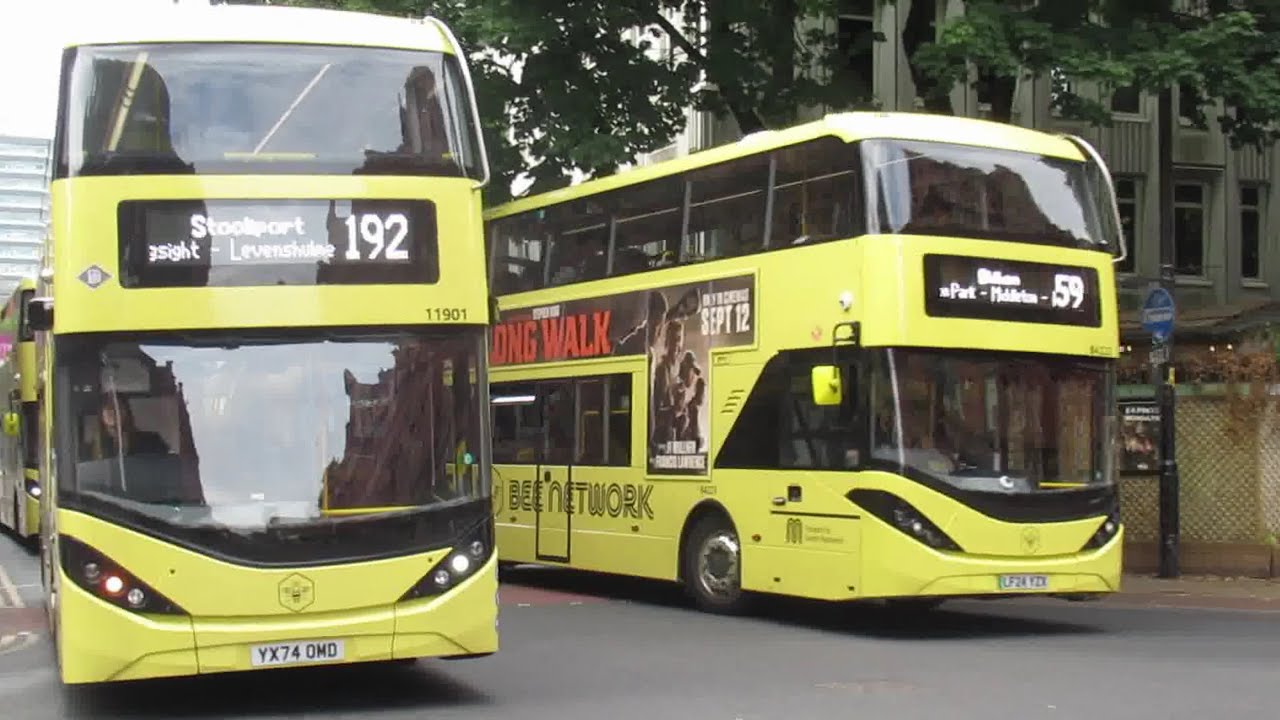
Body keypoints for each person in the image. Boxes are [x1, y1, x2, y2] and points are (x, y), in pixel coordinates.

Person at [94, 395, 170, 459]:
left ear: (126, 411)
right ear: (102, 414)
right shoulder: (91, 449)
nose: (114, 411)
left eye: (118, 406)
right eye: (109, 407)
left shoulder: (153, 441)